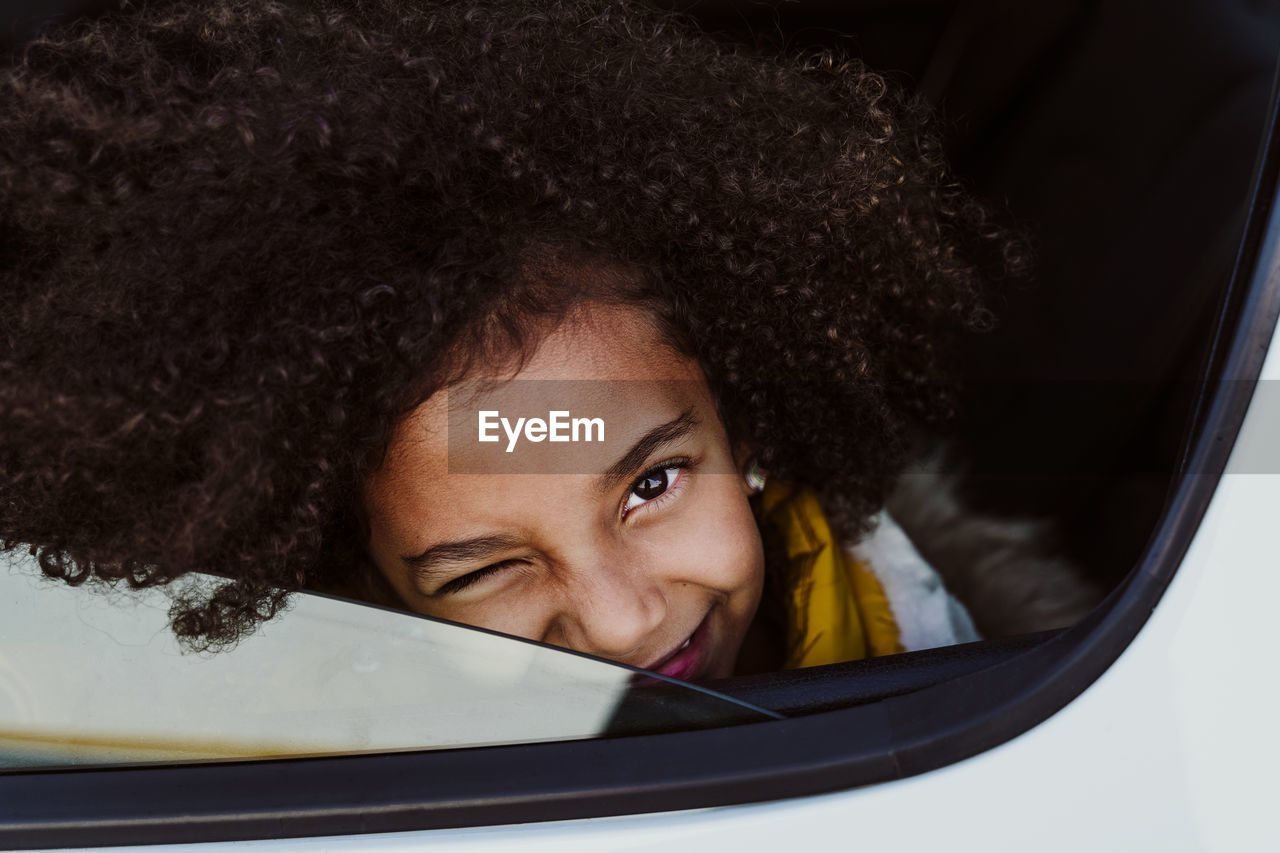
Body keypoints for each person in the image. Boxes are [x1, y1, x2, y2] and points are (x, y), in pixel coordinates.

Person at [0, 0, 1031, 679]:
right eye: (482, 568)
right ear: (364, 584)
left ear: (743, 417)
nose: (623, 619)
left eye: (650, 484)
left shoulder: (946, 645)